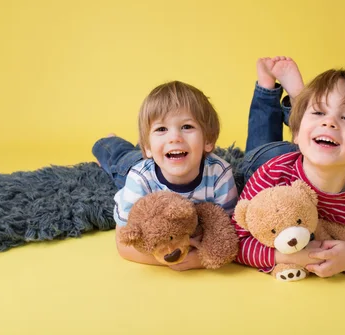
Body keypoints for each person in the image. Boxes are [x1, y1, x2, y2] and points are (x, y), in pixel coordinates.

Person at [234, 56, 345, 277]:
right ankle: (270, 88)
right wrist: (287, 257)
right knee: (261, 144)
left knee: (313, 129)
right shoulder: (271, 175)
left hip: (305, 145)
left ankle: (302, 104)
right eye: (320, 113)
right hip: (263, 163)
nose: (330, 122)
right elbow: (238, 240)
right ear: (296, 134)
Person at [92, 81, 238, 271]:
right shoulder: (140, 179)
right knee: (119, 160)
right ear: (147, 147)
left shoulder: (219, 175)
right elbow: (123, 246)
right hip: (138, 165)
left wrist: (201, 258)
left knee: (136, 155)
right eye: (161, 129)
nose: (174, 137)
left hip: (162, 156)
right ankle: (110, 141)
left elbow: (226, 229)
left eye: (186, 126)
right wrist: (172, 260)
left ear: (208, 141)